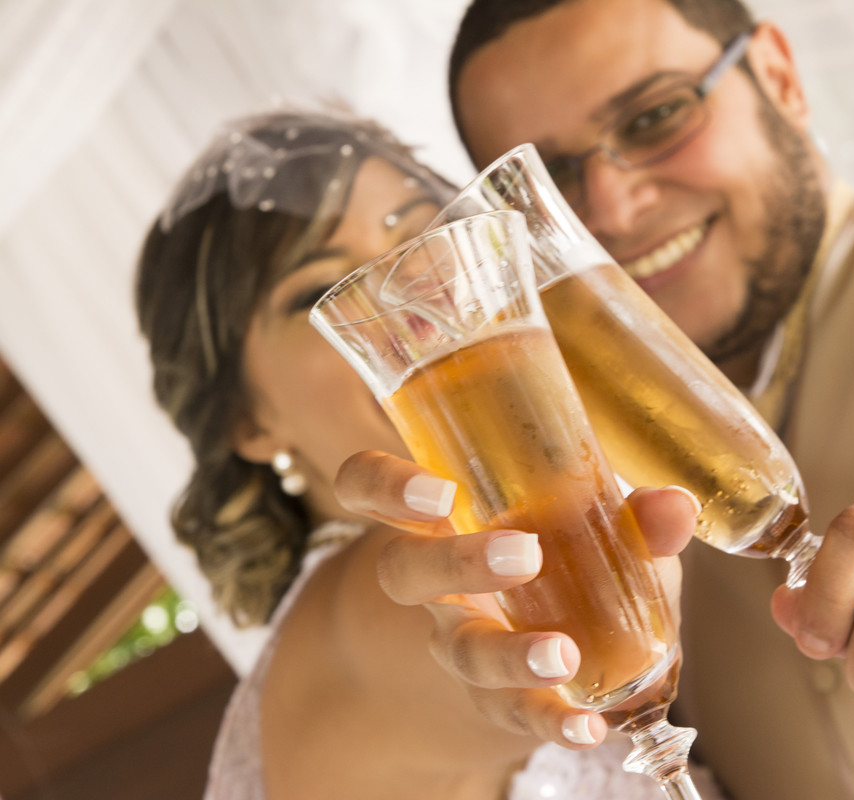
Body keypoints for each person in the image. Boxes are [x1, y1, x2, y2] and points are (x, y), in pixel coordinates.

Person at [331, 1, 854, 798]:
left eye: (655, 116)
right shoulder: (559, 486)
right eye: (555, 181)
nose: (616, 204)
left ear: (779, 78)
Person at [133, 107, 727, 799]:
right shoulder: (354, 623)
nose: (407, 294)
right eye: (320, 290)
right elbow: (446, 651)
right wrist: (506, 666)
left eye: (419, 235)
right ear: (249, 423)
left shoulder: (603, 503)